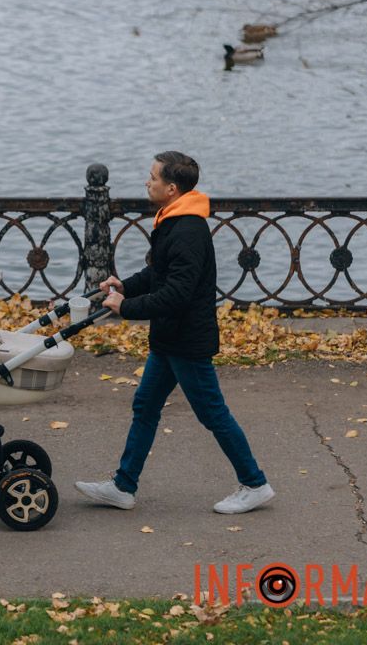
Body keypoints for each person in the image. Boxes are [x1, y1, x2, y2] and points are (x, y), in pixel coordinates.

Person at [75, 152, 275, 514]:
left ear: (171, 188)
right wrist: (126, 286)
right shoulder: (172, 219)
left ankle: (255, 483)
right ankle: (123, 486)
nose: (146, 182)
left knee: (212, 413)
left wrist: (127, 309)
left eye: (152, 177)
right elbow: (158, 274)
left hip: (186, 341)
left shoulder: (187, 231)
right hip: (170, 340)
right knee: (145, 405)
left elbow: (177, 294)